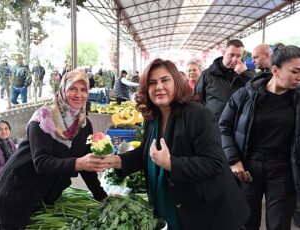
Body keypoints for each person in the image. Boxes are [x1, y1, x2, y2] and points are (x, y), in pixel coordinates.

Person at [104, 58, 250, 230]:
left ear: (176, 83)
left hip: (207, 212)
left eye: (165, 80)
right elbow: (146, 152)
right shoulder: (153, 117)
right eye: (152, 82)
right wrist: (116, 161)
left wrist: (170, 163)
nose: (159, 87)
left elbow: (215, 164)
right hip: (174, 203)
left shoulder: (198, 114)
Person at [0, 70, 108, 229]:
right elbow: (41, 162)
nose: (78, 94)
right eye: (72, 88)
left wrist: (102, 197)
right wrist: (78, 163)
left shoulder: (83, 124)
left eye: (83, 90)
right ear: (62, 90)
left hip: (46, 194)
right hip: (19, 189)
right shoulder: (43, 118)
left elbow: (87, 166)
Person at [219, 45, 300, 230]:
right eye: (295, 72)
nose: (299, 77)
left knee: (279, 224)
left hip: (283, 169)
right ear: (275, 70)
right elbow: (224, 126)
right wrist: (234, 160)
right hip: (249, 167)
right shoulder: (246, 95)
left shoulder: (297, 99)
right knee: (246, 222)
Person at [195, 39, 253, 121]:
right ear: (224, 53)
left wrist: (244, 74)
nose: (234, 59)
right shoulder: (207, 74)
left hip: (236, 126)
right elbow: (198, 99)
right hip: (213, 124)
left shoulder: (245, 74)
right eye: (231, 55)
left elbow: (257, 91)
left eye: (238, 56)